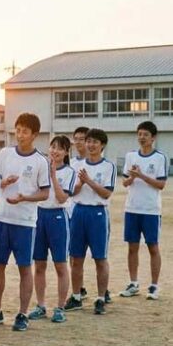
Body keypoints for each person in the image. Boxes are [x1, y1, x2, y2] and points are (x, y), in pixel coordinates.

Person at [0, 113, 50, 332]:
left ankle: (22, 313)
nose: (20, 135)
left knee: (24, 268)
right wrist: (3, 182)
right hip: (2, 219)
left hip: (26, 222)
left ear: (34, 135)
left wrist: (24, 198)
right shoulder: (5, 154)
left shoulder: (41, 161)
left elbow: (45, 193)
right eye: (18, 130)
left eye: (25, 131)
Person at [65, 128, 116, 316]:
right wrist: (79, 183)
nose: (91, 145)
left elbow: (106, 193)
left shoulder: (108, 166)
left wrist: (89, 181)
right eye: (89, 141)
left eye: (95, 142)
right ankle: (77, 296)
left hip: (97, 214)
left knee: (100, 259)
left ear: (102, 145)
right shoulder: (77, 166)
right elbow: (73, 192)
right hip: (78, 212)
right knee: (76, 258)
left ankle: (101, 298)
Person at [28, 136, 76, 324]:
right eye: (53, 147)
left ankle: (60, 307)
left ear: (66, 152)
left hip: (57, 218)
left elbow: (63, 198)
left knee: (60, 265)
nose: (55, 151)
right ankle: (40, 305)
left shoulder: (70, 172)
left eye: (60, 149)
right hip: (38, 216)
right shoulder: (41, 167)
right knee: (39, 264)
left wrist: (54, 176)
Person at [118, 121, 168, 300]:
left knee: (153, 247)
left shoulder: (159, 157)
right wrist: (132, 177)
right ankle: (133, 283)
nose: (142, 137)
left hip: (151, 210)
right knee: (132, 247)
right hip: (132, 208)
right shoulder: (131, 156)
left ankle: (154, 286)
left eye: (145, 134)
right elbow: (124, 182)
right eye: (139, 134)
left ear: (153, 138)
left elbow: (161, 184)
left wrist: (142, 176)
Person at [69, 126, 90, 298]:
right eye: (75, 139)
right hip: (72, 211)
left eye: (82, 138)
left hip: (92, 213)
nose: (78, 142)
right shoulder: (72, 163)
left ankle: (102, 291)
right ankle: (79, 287)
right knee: (74, 254)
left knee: (98, 256)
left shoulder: (96, 162)